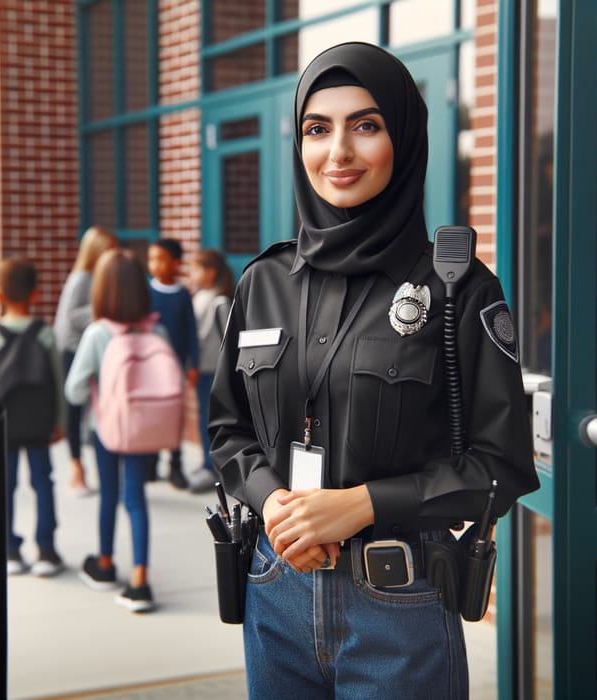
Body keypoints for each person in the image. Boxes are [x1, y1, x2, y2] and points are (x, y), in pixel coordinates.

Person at [208, 42, 540, 698]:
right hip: (274, 593)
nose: (338, 152)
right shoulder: (264, 282)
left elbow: (501, 464)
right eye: (316, 128)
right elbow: (227, 430)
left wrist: (358, 506)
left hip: (398, 602)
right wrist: (276, 504)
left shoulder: (458, 290)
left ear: (405, 137)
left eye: (366, 125)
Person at [65, 248, 165, 613]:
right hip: (145, 430)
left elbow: (73, 390)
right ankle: (140, 580)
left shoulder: (96, 334)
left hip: (106, 429)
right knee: (136, 499)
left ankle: (105, 563)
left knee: (109, 494)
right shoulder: (158, 329)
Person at [0, 257, 64, 577]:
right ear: (35, 294)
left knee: (5, 485)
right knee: (43, 483)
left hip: (3, 425)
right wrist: (60, 423)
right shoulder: (45, 333)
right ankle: (46, 549)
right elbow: (56, 380)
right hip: (40, 423)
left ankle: (10, 550)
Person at [54, 225, 118, 495]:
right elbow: (70, 317)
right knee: (74, 409)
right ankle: (76, 468)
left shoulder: (99, 276)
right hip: (73, 349)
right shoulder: (81, 278)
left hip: (93, 347)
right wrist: (102, 311)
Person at [147, 238, 199, 489]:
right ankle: (150, 460)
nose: (154, 264)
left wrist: (194, 364)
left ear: (176, 263)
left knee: (175, 416)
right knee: (152, 414)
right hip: (150, 367)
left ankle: (175, 464)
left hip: (176, 367)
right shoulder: (147, 292)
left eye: (160, 258)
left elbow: (191, 331)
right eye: (151, 259)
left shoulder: (181, 295)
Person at [187, 249, 233, 494]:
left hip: (215, 371)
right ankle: (206, 463)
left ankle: (213, 467)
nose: (191, 274)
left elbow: (229, 339)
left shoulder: (219, 301)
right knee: (204, 418)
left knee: (212, 420)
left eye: (196, 268)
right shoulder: (198, 297)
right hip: (202, 370)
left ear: (211, 271)